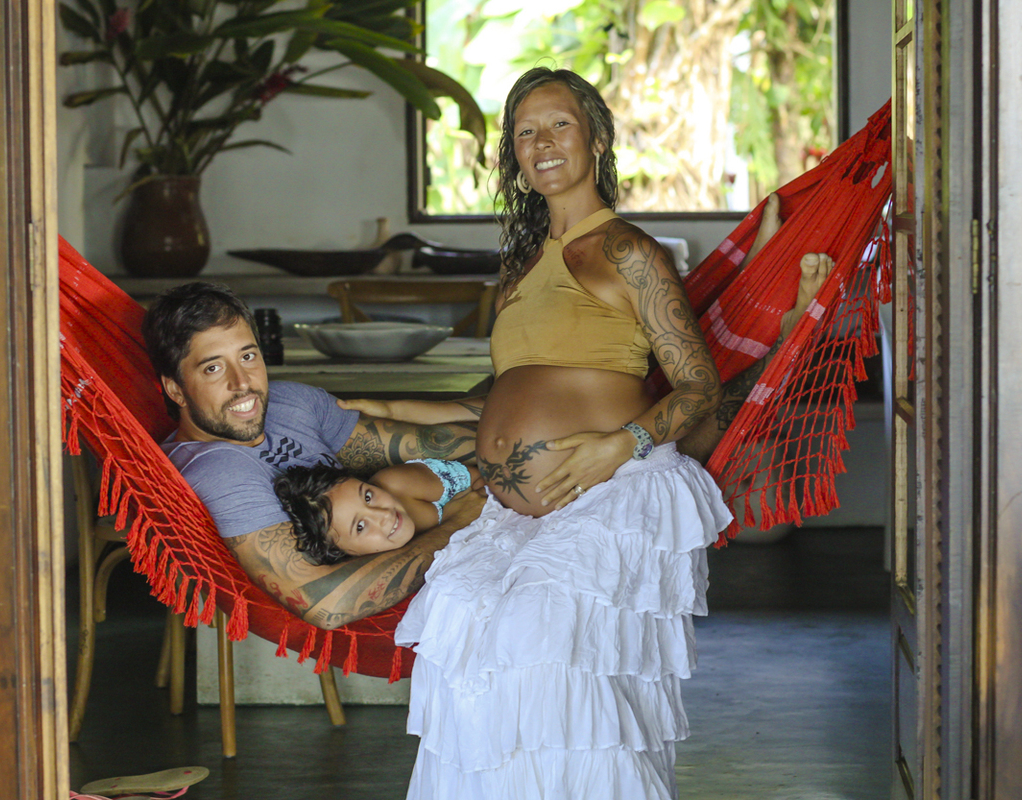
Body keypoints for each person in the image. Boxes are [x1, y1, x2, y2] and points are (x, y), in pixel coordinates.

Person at [334, 67, 833, 800]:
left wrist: (618, 445)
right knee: (460, 636)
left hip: (615, 483)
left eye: (559, 124)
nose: (541, 143)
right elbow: (501, 396)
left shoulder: (628, 252)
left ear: (595, 137)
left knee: (552, 652)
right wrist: (368, 412)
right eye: (524, 131)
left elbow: (695, 386)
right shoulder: (517, 270)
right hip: (509, 510)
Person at [140, 282, 487, 632]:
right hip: (389, 604)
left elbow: (431, 443)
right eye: (213, 368)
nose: (243, 383)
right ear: (175, 389)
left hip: (421, 538)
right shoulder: (219, 470)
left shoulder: (289, 403)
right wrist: (458, 526)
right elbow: (327, 605)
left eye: (248, 356)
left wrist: (520, 443)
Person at [274, 459, 481, 564]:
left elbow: (487, 479)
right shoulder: (374, 570)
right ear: (342, 552)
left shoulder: (398, 484)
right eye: (360, 526)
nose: (382, 515)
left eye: (367, 497)